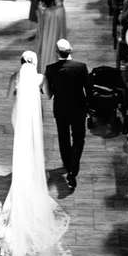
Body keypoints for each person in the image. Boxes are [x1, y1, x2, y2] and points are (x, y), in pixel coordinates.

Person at [0, 51, 82, 256]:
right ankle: (30, 181)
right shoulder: (39, 77)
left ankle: (23, 181)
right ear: (34, 63)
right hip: (32, 124)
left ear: (21, 63)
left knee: (22, 154)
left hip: (21, 124)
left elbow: (10, 96)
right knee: (31, 155)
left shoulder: (17, 77)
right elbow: (46, 91)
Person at [45, 38, 89, 191]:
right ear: (71, 51)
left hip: (61, 109)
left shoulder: (50, 69)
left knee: (63, 138)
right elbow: (88, 90)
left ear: (57, 52)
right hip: (78, 109)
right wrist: (90, 109)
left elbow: (49, 93)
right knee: (78, 138)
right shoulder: (81, 67)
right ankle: (73, 169)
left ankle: (68, 164)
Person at [34, 0, 70, 70]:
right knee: (58, 37)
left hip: (46, 13)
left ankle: (45, 64)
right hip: (58, 12)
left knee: (45, 38)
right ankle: (59, 63)